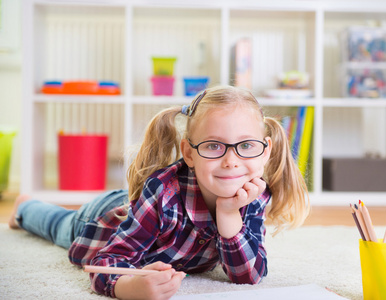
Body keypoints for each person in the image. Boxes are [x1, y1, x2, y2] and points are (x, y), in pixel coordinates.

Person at [9, 85, 310, 299]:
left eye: (246, 146)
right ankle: (24, 206)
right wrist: (128, 288)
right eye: (214, 146)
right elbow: (107, 260)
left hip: (139, 208)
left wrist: (229, 215)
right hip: (104, 220)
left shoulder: (253, 193)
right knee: (59, 226)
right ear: (189, 154)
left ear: (265, 151)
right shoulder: (163, 191)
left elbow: (249, 276)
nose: (231, 161)